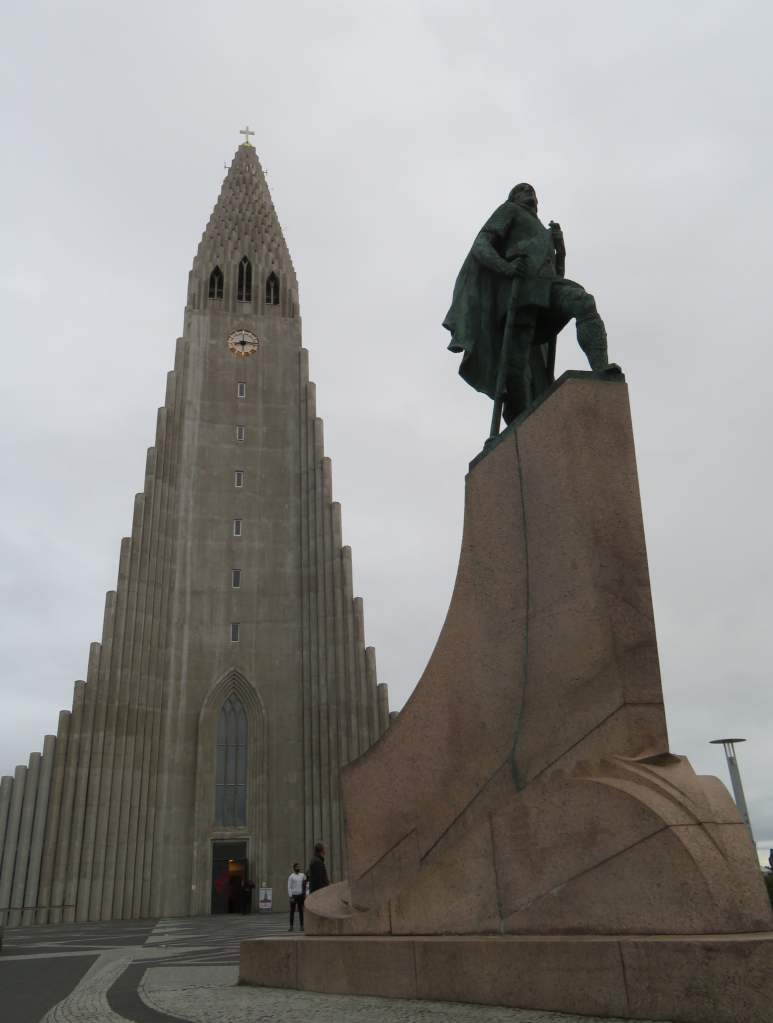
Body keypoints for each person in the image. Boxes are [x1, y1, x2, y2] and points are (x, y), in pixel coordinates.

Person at [443, 182, 619, 423]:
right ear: (513, 197)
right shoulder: (509, 211)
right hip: (522, 288)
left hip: (547, 285)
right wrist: (505, 267)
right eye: (523, 190)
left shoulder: (543, 230)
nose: (530, 194)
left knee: (584, 302)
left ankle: (601, 369)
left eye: (532, 191)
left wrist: (560, 248)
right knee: (517, 357)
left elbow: (557, 271)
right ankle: (523, 416)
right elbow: (481, 244)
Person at [287, 862, 306, 931]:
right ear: (294, 868)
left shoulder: (302, 875)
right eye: (297, 867)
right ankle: (291, 926)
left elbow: (305, 883)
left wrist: (304, 894)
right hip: (294, 896)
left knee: (301, 911)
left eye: (299, 867)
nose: (298, 868)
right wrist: (291, 896)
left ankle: (302, 926)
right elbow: (289, 887)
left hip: (300, 895)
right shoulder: (291, 876)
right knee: (292, 911)